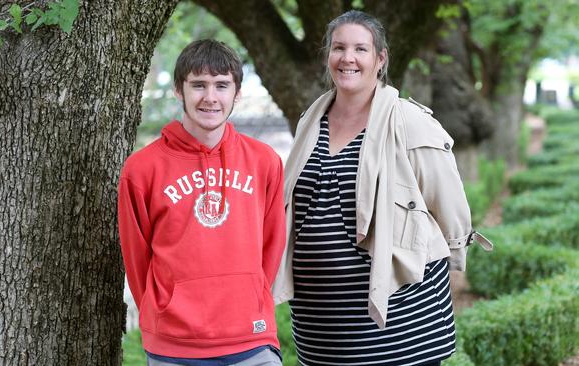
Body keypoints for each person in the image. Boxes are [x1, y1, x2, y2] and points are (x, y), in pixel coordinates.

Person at [271, 10, 493, 366]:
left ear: (381, 58)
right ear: (328, 55)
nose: (348, 58)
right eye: (339, 47)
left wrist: (452, 254)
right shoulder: (309, 121)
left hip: (398, 320)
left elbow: (448, 202)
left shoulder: (409, 121)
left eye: (360, 48)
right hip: (320, 327)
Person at [118, 39, 286, 365]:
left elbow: (272, 244)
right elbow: (136, 258)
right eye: (199, 85)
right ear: (179, 90)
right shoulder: (142, 170)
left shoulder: (264, 161)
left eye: (221, 85)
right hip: (174, 346)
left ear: (237, 93)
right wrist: (164, 308)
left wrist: (250, 297)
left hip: (252, 338)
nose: (210, 97)